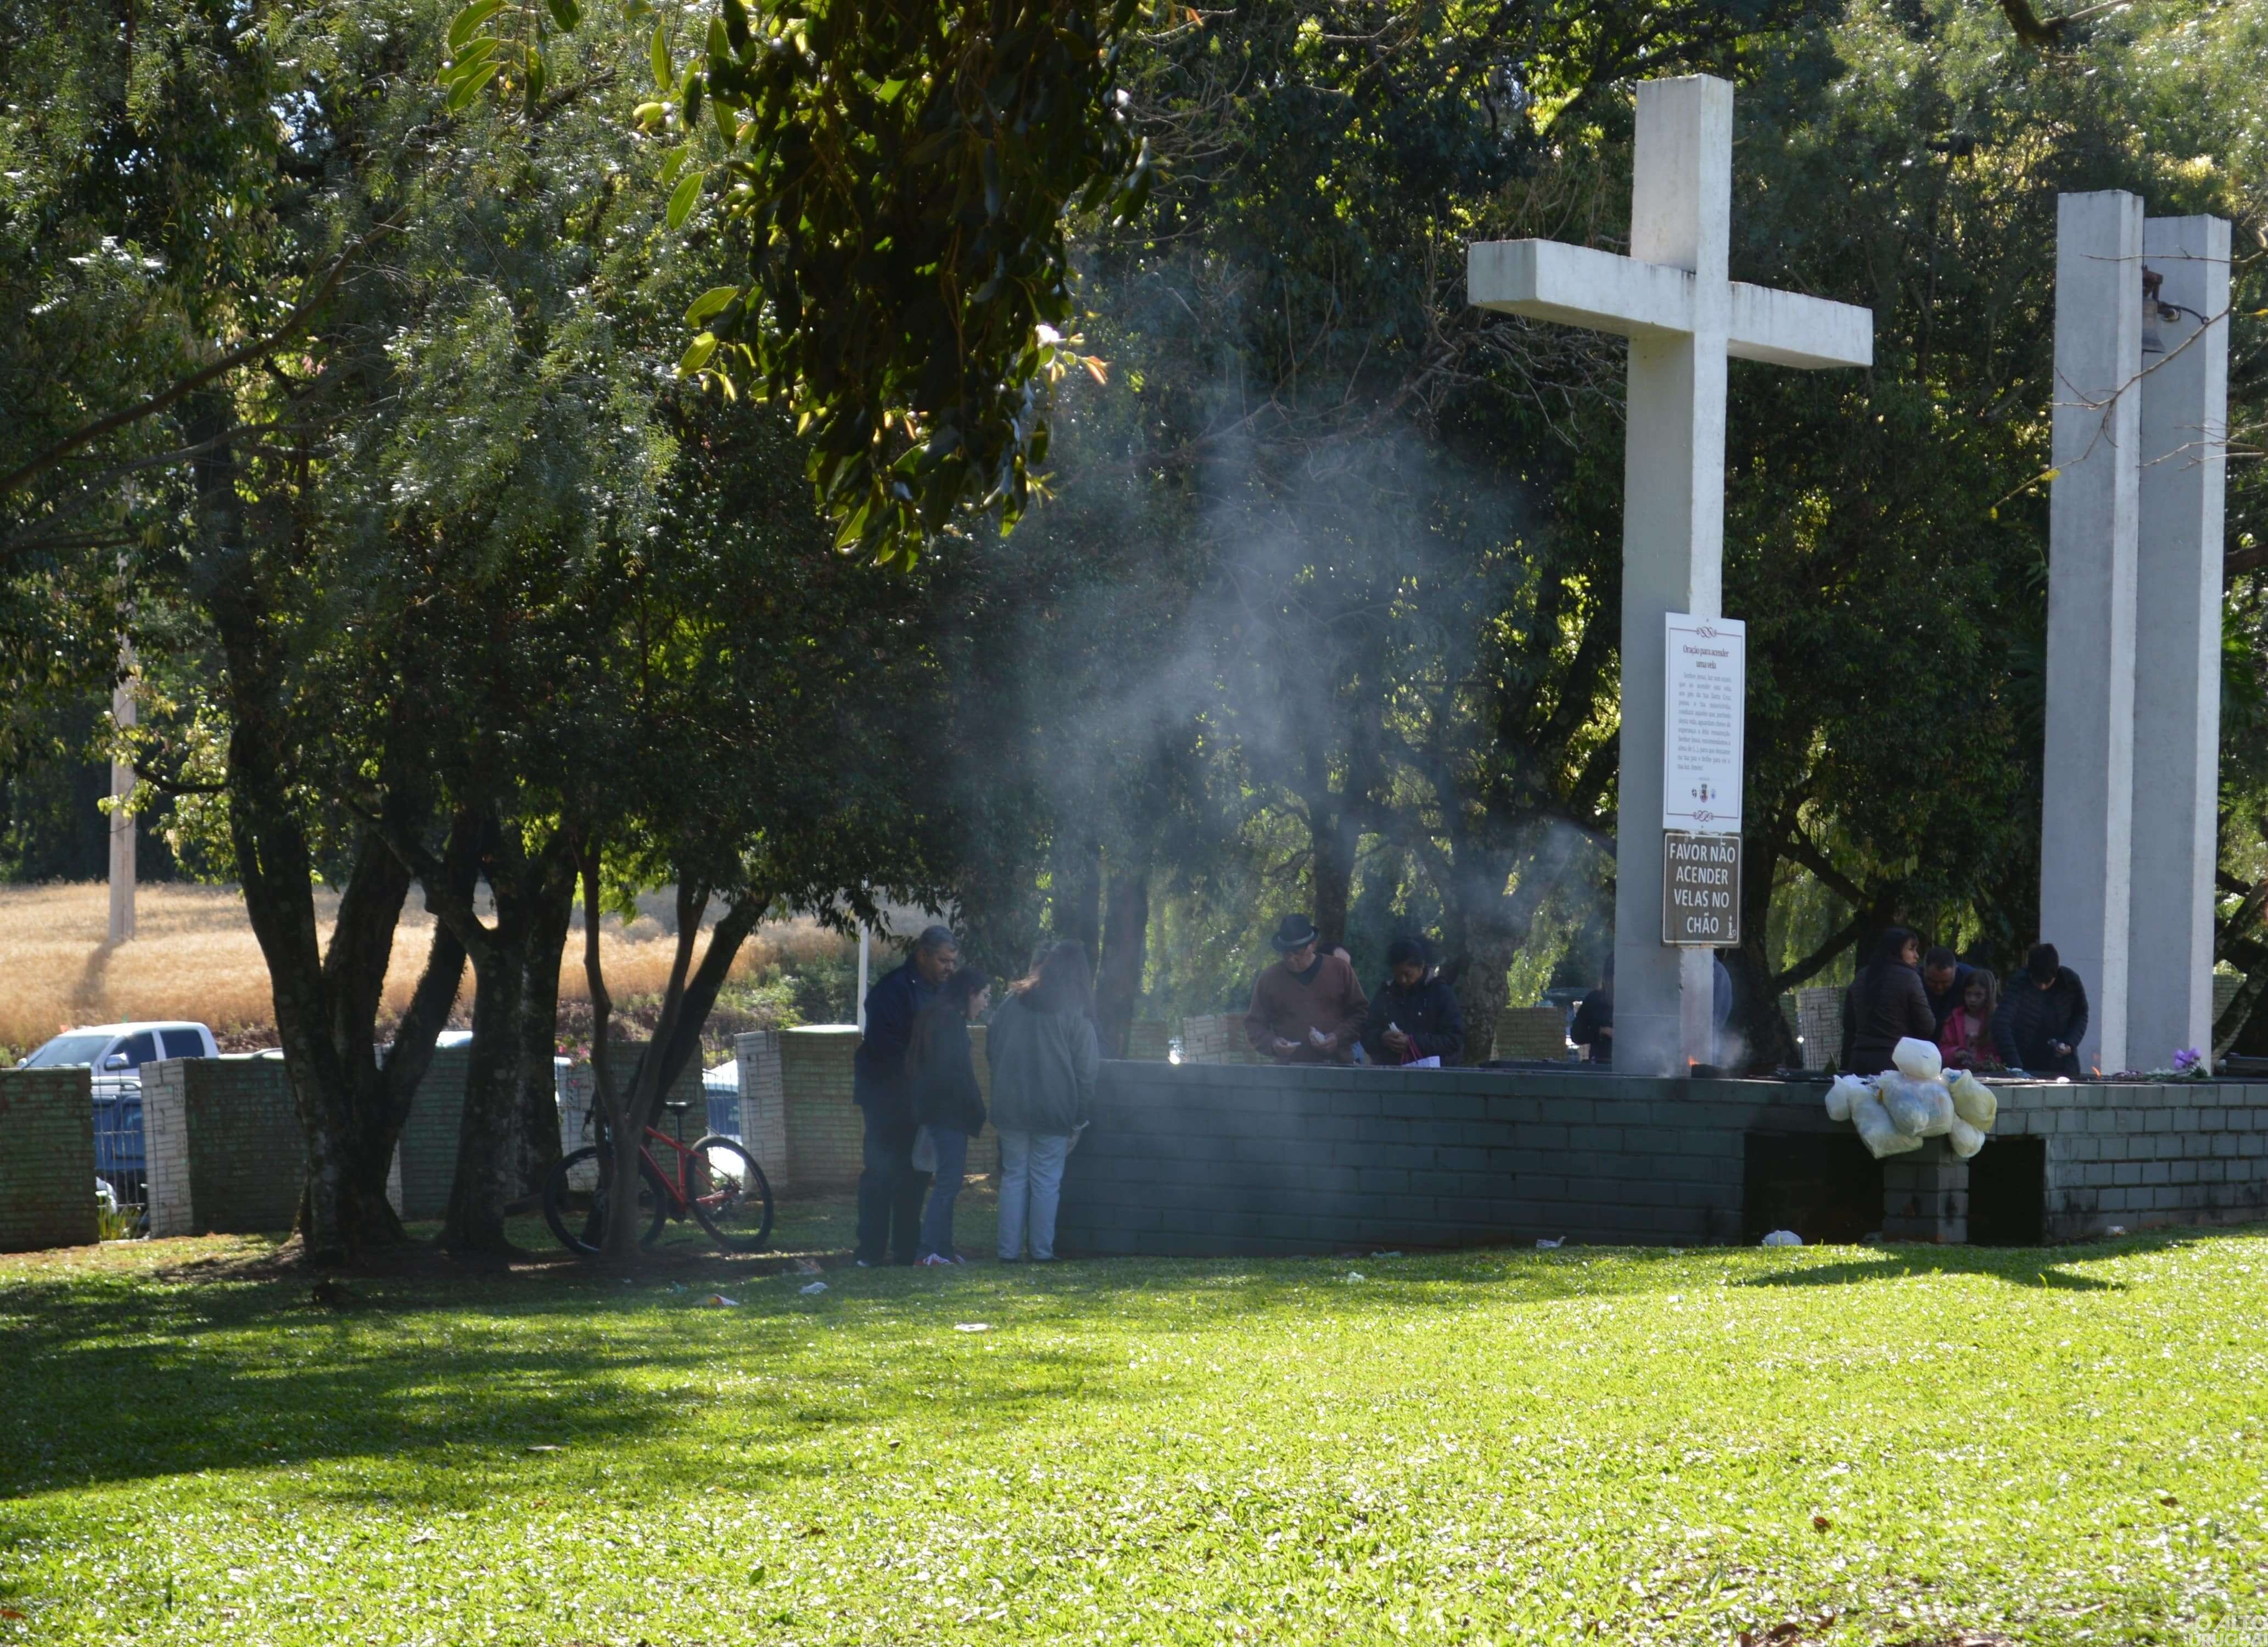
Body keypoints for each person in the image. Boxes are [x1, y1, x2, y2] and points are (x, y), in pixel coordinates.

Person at [852, 925, 960, 1267]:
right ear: (922, 955)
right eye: (943, 960)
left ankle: (906, 1248)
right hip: (886, 1099)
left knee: (916, 1177)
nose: (948, 968)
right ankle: (870, 1251)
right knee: (881, 1174)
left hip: (920, 1100)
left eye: (952, 962)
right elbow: (885, 1047)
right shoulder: (893, 990)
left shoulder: (941, 992)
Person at [987, 941, 1101, 1263]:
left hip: (1010, 1106)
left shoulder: (1013, 1002)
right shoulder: (1076, 1010)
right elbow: (1086, 1071)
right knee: (1046, 1180)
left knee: (1014, 1178)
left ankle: (1007, 1253)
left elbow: (992, 1049)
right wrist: (1079, 1119)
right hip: (1055, 1109)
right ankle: (1041, 1252)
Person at [909, 966, 991, 1265]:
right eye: (984, 996)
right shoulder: (948, 1021)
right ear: (970, 993)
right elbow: (954, 1074)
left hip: (943, 1113)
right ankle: (928, 1251)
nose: (985, 1003)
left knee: (950, 1182)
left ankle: (942, 1249)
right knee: (948, 1183)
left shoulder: (940, 1016)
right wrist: (975, 1109)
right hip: (948, 1115)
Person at [1244, 915, 1368, 1063]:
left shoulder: (1340, 970)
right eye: (1286, 953)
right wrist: (1272, 1043)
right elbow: (1254, 1024)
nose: (1291, 959)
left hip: (1337, 1068)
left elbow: (1362, 1013)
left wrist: (1338, 1037)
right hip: (1289, 1073)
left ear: (1313, 945)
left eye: (1297, 953)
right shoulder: (1268, 979)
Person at [1841, 926, 1936, 1076]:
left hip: (1860, 1062)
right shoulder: (1909, 977)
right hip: (1897, 1063)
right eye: (1911, 949)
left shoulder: (1861, 976)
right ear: (1896, 950)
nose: (1916, 956)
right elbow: (1927, 1026)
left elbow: (1849, 1025)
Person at [1360, 936, 1464, 1065]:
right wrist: (1382, 1038)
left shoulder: (1440, 993)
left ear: (1421, 966)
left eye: (1407, 974)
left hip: (1432, 1074)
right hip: (1390, 1073)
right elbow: (1366, 1033)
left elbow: (1454, 1039)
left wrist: (1413, 1043)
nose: (1403, 980)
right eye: (1398, 975)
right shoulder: (1386, 993)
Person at [1994, 942, 2089, 1077]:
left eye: (2047, 982)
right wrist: (2015, 1066)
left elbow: (2081, 1014)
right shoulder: (2019, 983)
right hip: (2026, 1061)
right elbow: (2001, 1023)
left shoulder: (2070, 982)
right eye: (2038, 982)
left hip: (2063, 1065)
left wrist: (2070, 1042)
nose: (2043, 987)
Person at [1937, 967, 2001, 1070]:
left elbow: (2003, 1052)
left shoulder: (1996, 1020)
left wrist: (1992, 1064)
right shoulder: (1954, 1020)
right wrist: (1956, 1052)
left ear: (1989, 995)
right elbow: (1942, 1051)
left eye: (1978, 995)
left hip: (1989, 1078)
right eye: (1968, 994)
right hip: (1959, 1076)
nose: (1972, 1000)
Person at [1921, 945, 1975, 1037]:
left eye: (1946, 982)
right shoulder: (1913, 980)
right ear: (1923, 971)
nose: (1939, 987)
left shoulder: (1970, 978)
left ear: (1956, 971)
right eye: (1933, 981)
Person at [1570, 956, 1613, 1066]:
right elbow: (1576, 1035)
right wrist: (1602, 1031)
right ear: (1607, 978)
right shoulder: (1595, 999)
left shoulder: (1637, 1001)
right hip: (1602, 1065)